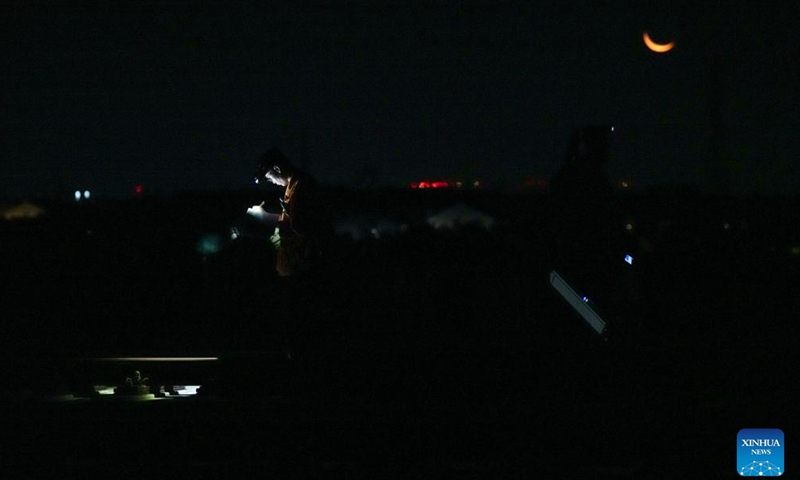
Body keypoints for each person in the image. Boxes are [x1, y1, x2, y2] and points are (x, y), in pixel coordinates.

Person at [249, 148, 333, 359]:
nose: (271, 181)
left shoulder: (302, 186)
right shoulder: (292, 186)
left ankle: (300, 368)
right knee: (294, 323)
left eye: (269, 177)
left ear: (277, 169)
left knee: (299, 324)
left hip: (303, 269)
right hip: (294, 268)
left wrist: (264, 217)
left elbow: (301, 225)